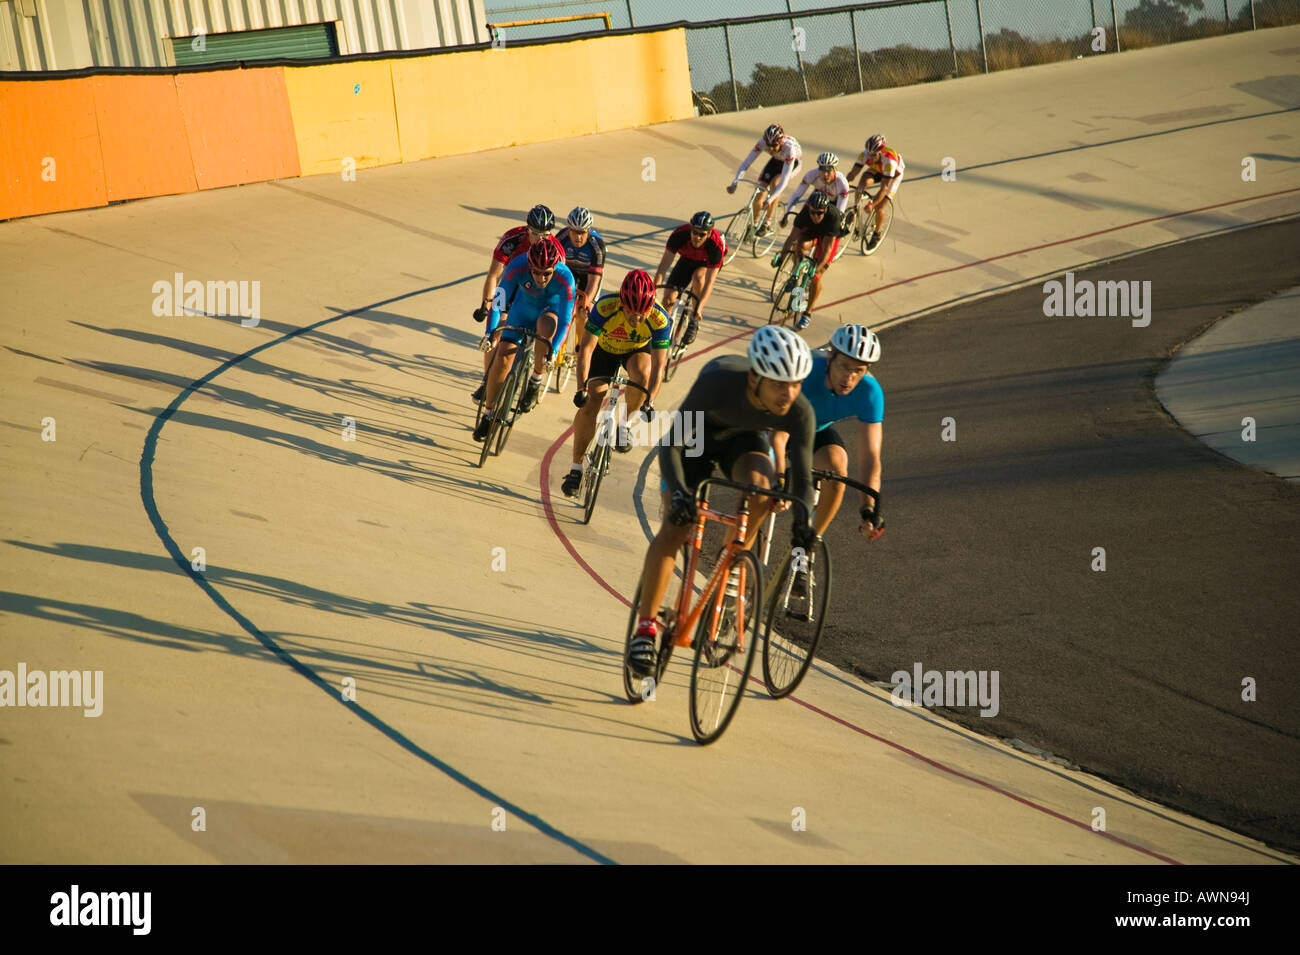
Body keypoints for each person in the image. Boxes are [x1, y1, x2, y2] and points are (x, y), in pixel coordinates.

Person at [628, 326, 817, 676]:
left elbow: (803, 478)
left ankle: (733, 562)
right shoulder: (718, 382)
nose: (788, 394)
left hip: (743, 440)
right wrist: (681, 494)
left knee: (764, 490)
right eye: (779, 384)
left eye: (796, 384)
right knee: (676, 525)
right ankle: (645, 628)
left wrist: (805, 523)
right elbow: (671, 445)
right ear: (754, 379)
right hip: (698, 435)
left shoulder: (800, 410)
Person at [771, 324, 884, 555]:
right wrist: (779, 479)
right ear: (830, 357)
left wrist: (868, 509)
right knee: (760, 490)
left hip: (811, 431)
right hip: (775, 426)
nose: (849, 377)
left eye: (858, 370)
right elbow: (779, 434)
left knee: (837, 466)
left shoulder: (870, 392)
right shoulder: (805, 371)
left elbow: (870, 458)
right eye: (844, 366)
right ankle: (734, 558)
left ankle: (806, 547)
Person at [561, 270, 669, 498]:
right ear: (622, 303)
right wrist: (581, 387)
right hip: (604, 350)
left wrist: (650, 401)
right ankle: (576, 468)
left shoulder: (660, 319)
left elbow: (659, 365)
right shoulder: (605, 307)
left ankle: (625, 426)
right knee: (591, 402)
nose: (637, 318)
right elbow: (587, 349)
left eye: (643, 314)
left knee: (642, 375)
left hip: (636, 351)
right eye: (632, 312)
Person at [473, 236, 575, 441]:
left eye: (546, 274)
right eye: (536, 272)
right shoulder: (517, 266)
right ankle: (489, 412)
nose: (541, 278)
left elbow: (564, 321)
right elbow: (499, 302)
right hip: (522, 310)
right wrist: (490, 333)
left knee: (545, 328)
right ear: (529, 266)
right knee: (502, 357)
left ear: (555, 268)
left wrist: (553, 352)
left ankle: (535, 379)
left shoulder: (566, 279)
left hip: (549, 313)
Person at [472, 204, 558, 395]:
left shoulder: (555, 249)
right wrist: (486, 303)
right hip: (514, 286)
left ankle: (536, 380)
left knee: (546, 330)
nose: (540, 239)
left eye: (545, 235)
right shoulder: (512, 240)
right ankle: (488, 381)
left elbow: (558, 284)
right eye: (535, 233)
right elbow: (494, 275)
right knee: (498, 329)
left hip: (540, 293)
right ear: (527, 229)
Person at [652, 211, 725, 347]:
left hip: (705, 263)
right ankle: (661, 332)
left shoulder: (715, 246)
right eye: (694, 232)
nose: (697, 237)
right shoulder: (679, 235)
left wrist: (699, 308)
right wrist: (653, 292)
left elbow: (710, 283)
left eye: (701, 234)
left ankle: (693, 319)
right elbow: (663, 268)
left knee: (698, 277)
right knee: (668, 300)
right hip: (686, 260)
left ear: (709, 234)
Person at [771, 190, 842, 330]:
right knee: (800, 244)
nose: (815, 216)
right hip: (812, 232)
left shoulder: (833, 217)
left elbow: (827, 250)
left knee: (816, 277)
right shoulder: (804, 214)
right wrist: (781, 257)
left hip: (828, 237)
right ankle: (796, 274)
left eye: (819, 213)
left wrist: (815, 269)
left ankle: (807, 313)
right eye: (812, 212)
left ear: (825, 210)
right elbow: (791, 238)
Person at [726, 123, 802, 236]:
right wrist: (735, 182)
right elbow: (746, 163)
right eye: (768, 145)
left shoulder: (789, 149)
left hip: (792, 163)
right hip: (776, 161)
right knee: (759, 192)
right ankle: (754, 225)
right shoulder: (762, 143)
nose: (770, 148)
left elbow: (784, 181)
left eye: (774, 145)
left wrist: (770, 199)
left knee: (775, 184)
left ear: (780, 142)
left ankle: (767, 223)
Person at [843, 134, 904, 252]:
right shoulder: (865, 155)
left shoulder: (889, 162)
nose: (870, 157)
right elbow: (852, 173)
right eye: (868, 154)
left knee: (879, 207)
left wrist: (872, 204)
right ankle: (855, 211)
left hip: (892, 176)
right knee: (861, 185)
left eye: (873, 155)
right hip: (877, 169)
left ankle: (877, 233)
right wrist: (847, 182)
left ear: (880, 152)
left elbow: (884, 188)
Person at [783, 151, 851, 221]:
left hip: (834, 202)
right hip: (817, 198)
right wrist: (787, 213)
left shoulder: (842, 183)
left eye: (828, 171)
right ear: (819, 169)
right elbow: (796, 195)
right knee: (802, 217)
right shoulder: (811, 175)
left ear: (834, 170)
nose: (825, 174)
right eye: (822, 170)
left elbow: (839, 211)